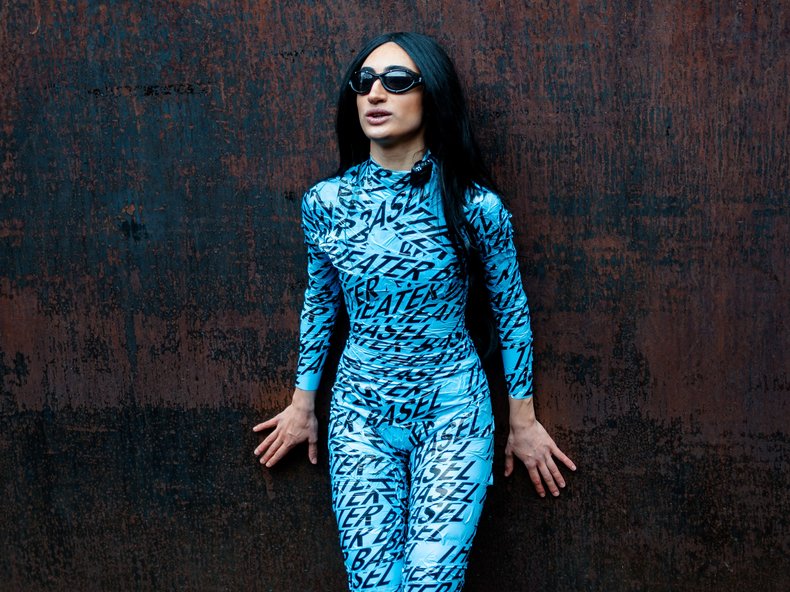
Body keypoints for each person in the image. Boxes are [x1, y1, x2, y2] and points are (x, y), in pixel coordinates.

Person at [253, 32, 576, 592]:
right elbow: (321, 302)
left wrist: (521, 421)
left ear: (433, 95)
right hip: (358, 416)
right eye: (364, 82)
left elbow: (511, 309)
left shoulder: (476, 207)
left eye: (397, 81)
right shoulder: (325, 203)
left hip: (453, 414)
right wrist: (303, 404)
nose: (375, 94)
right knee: (374, 586)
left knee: (430, 582)